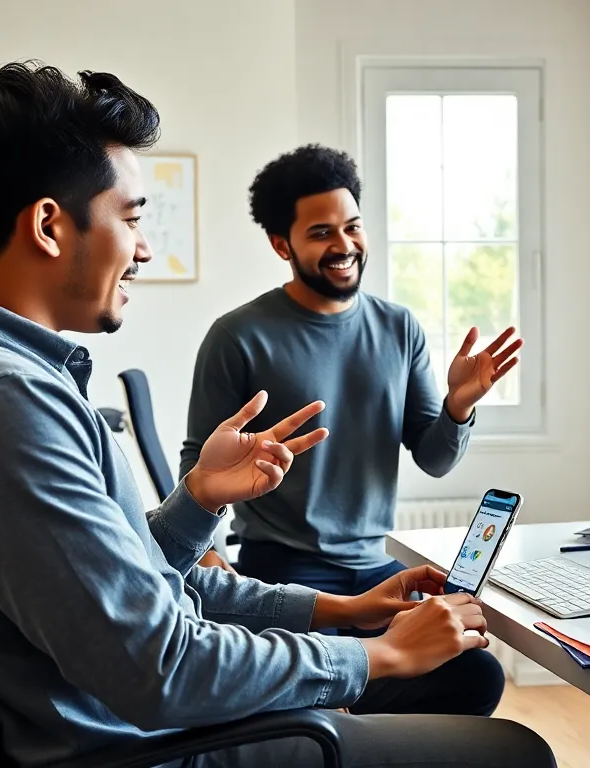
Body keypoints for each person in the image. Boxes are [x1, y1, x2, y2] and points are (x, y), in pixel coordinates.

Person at [0, 60, 553, 768]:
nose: (144, 249)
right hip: (148, 747)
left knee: (463, 679)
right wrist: (369, 656)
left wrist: (205, 508)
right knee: (513, 753)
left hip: (136, 720)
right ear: (48, 225)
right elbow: (158, 666)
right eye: (131, 218)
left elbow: (127, 589)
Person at [178, 145, 522, 618]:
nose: (344, 244)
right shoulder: (237, 336)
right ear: (283, 245)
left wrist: (458, 407)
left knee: (473, 673)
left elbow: (435, 459)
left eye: (352, 226)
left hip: (377, 563)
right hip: (282, 567)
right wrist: (210, 555)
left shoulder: (399, 327)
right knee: (330, 682)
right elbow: (200, 461)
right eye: (321, 233)